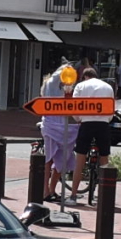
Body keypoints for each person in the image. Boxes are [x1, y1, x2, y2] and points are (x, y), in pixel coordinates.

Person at [71, 62, 117, 203]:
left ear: (85, 76)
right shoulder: (108, 87)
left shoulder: (81, 86)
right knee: (104, 158)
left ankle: (73, 195)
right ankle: (103, 193)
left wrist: (79, 119)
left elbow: (75, 106)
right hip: (103, 124)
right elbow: (111, 107)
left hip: (87, 124)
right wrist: (106, 119)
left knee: (80, 158)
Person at [37, 62, 79, 201]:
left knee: (62, 159)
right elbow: (57, 76)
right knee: (49, 159)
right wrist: (66, 68)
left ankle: (52, 190)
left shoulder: (64, 89)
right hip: (51, 126)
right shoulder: (51, 84)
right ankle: (45, 191)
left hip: (63, 126)